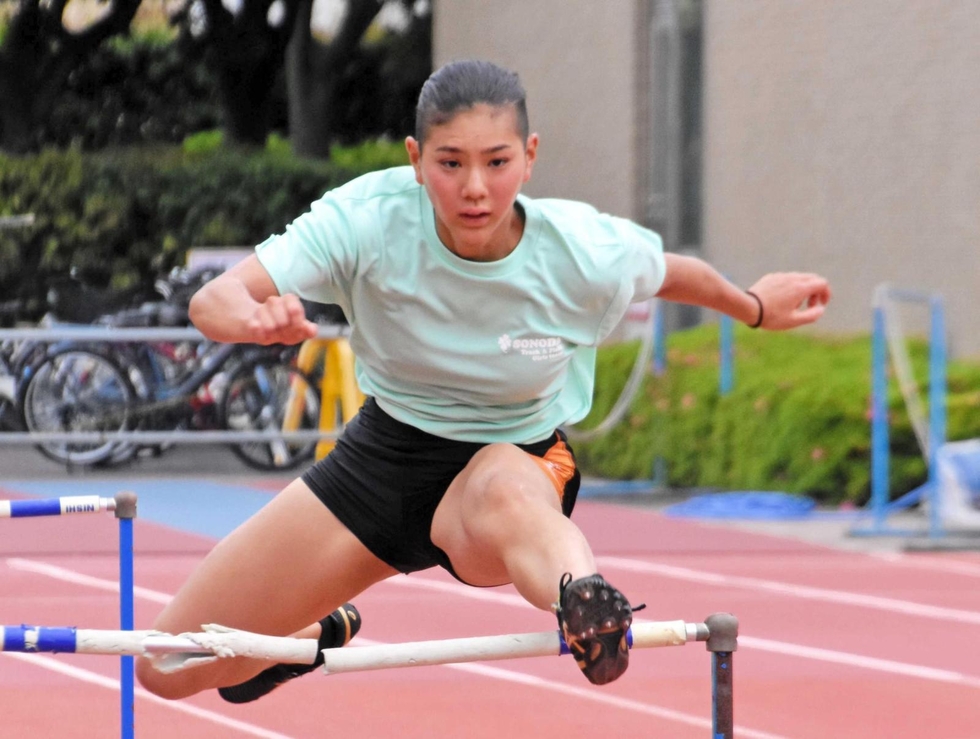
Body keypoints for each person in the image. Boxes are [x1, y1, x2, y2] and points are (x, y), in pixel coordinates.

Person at [135, 59, 831, 700]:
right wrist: (255, 318)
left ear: (529, 158)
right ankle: (317, 634)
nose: (474, 188)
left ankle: (584, 598)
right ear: (415, 161)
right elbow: (212, 299)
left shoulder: (583, 250)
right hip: (380, 461)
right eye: (450, 163)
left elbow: (675, 272)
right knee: (167, 666)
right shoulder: (366, 219)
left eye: (496, 162)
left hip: (513, 461)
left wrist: (755, 306)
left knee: (503, 482)